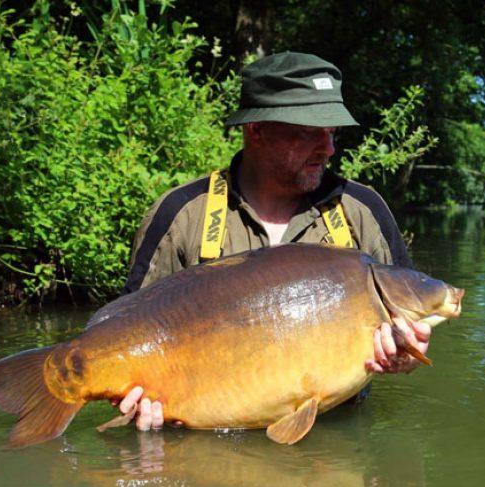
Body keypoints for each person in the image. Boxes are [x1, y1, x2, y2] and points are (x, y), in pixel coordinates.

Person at [117, 52, 432, 430]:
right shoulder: (181, 215)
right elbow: (125, 332)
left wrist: (408, 354)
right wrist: (131, 402)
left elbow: (409, 324)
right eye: (309, 131)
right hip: (203, 448)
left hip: (336, 446)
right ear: (257, 130)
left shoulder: (362, 212)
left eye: (332, 132)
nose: (328, 148)